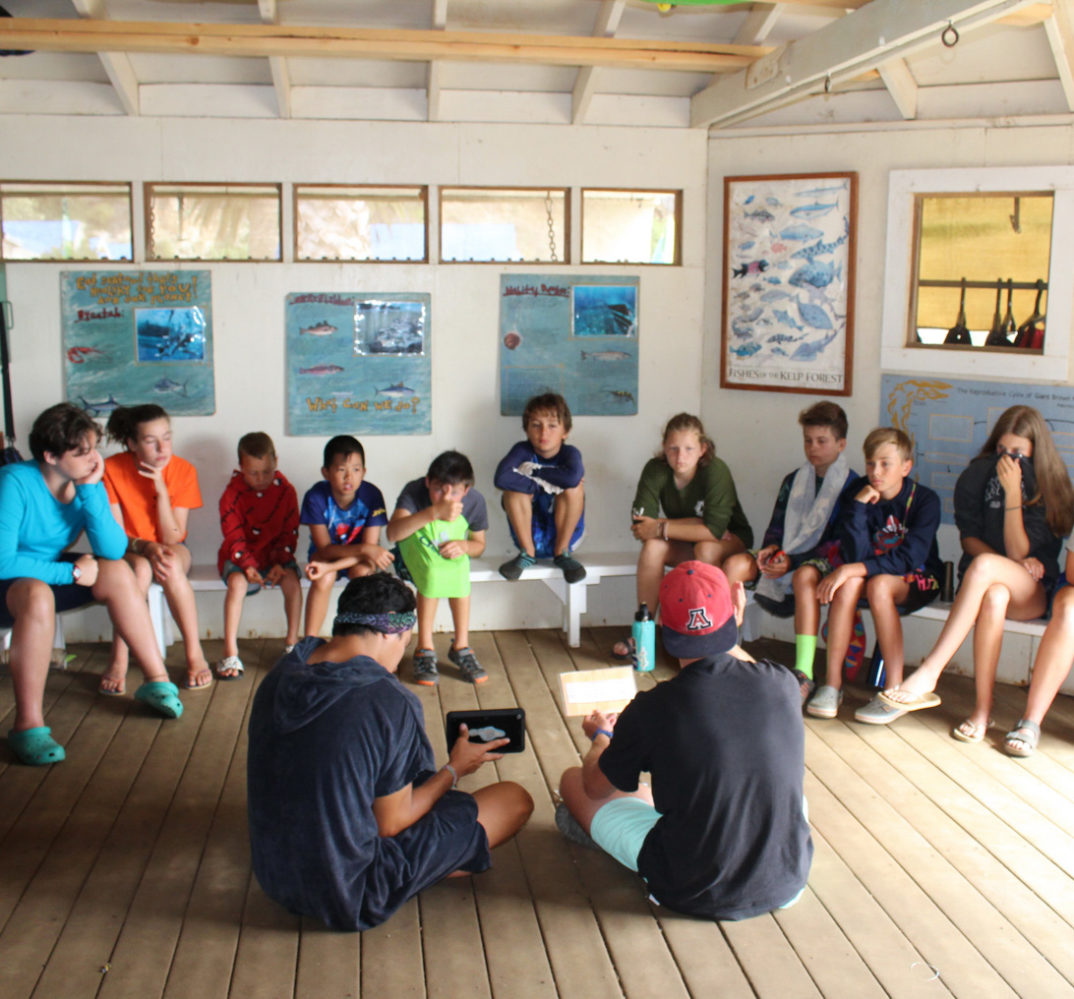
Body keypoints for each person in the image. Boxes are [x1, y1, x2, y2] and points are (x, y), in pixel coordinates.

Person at [246, 572, 532, 931]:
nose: (402, 657)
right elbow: (390, 824)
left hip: (276, 876)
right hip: (348, 891)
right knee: (512, 799)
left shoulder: (284, 671)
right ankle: (425, 870)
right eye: (405, 642)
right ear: (388, 634)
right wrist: (455, 769)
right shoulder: (388, 701)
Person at [557, 561, 812, 920]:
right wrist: (731, 621)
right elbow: (746, 668)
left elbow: (595, 787)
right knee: (782, 792)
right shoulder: (783, 683)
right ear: (735, 611)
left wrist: (601, 737)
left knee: (573, 780)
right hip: (786, 880)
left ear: (664, 626)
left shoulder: (654, 707)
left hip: (690, 888)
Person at [0, 403, 182, 765]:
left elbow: (112, 549)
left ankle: (155, 681)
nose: (92, 458)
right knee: (37, 593)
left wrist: (91, 490)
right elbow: (3, 560)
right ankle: (27, 725)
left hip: (44, 574)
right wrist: (71, 574)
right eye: (80, 452)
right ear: (50, 455)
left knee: (115, 571)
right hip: (7, 581)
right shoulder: (14, 481)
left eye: (93, 448)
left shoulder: (82, 482)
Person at [878, 406, 1074, 742]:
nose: (1008, 460)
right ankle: (982, 711)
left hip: (1032, 590)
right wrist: (999, 568)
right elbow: (968, 539)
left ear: (1034, 453)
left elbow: (1018, 553)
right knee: (993, 593)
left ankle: (929, 672)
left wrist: (1013, 494)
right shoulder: (977, 476)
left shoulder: (1050, 484)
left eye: (1018, 454)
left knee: (987, 570)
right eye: (1002, 451)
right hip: (987, 585)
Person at [805, 427, 943, 723]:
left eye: (885, 463)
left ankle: (893, 691)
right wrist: (857, 509)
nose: (876, 471)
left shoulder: (925, 500)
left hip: (919, 577)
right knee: (851, 581)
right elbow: (856, 556)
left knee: (874, 583)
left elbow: (911, 559)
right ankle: (832, 684)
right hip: (870, 573)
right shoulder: (858, 495)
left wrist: (851, 569)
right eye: (870, 463)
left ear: (906, 467)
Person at [723, 401, 856, 701]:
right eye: (808, 440)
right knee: (734, 564)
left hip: (821, 562)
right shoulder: (793, 480)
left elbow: (840, 544)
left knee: (805, 575)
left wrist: (793, 560)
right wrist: (772, 548)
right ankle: (722, 650)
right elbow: (776, 527)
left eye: (822, 441)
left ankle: (804, 671)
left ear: (841, 443)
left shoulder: (852, 486)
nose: (813, 448)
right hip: (788, 555)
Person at [613, 412, 752, 659]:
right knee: (653, 548)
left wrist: (662, 526)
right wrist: (687, 525)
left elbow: (715, 531)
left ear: (703, 449)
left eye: (689, 449)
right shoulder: (656, 469)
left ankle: (706, 634)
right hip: (688, 540)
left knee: (706, 548)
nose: (680, 457)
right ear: (664, 449)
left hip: (732, 541)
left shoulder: (715, 470)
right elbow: (642, 526)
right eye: (673, 449)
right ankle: (643, 632)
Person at [102, 403, 212, 692]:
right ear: (132, 444)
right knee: (135, 571)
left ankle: (194, 655)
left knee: (170, 563)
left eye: (167, 437)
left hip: (170, 546)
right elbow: (114, 536)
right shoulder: (112, 469)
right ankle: (120, 658)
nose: (163, 448)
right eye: (151, 441)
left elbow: (173, 538)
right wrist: (144, 547)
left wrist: (161, 489)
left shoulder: (183, 470)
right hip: (129, 548)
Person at [386, 450, 488, 685]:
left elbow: (479, 546)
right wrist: (433, 513)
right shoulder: (414, 492)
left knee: (458, 570)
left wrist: (464, 545)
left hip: (449, 557)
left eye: (454, 492)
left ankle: (461, 646)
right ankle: (424, 647)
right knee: (433, 572)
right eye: (439, 489)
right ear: (427, 482)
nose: (446, 497)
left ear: (466, 490)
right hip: (409, 557)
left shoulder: (475, 502)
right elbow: (393, 533)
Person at [216, 432, 302, 680]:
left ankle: (291, 644)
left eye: (266, 471)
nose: (261, 478)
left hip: (276, 554)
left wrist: (278, 561)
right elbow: (233, 536)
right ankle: (230, 650)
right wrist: (248, 565)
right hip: (239, 555)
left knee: (293, 584)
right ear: (241, 468)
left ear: (276, 461)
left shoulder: (286, 491)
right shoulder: (231, 494)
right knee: (236, 583)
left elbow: (290, 530)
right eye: (253, 473)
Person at [300, 435, 392, 638]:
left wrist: (365, 550)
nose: (349, 477)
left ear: (364, 472)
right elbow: (325, 549)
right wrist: (364, 549)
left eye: (356, 470)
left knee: (363, 575)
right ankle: (309, 641)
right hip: (326, 555)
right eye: (341, 470)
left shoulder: (372, 496)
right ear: (326, 472)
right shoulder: (315, 497)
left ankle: (359, 639)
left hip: (358, 559)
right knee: (324, 577)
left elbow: (369, 551)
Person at [494, 392, 586, 584]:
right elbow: (501, 477)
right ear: (527, 430)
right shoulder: (522, 450)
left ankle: (562, 554)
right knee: (513, 491)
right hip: (529, 535)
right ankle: (527, 553)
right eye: (536, 425)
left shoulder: (570, 453)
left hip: (565, 537)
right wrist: (538, 486)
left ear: (565, 431)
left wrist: (534, 474)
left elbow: (571, 477)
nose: (544, 433)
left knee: (574, 488)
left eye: (552, 426)